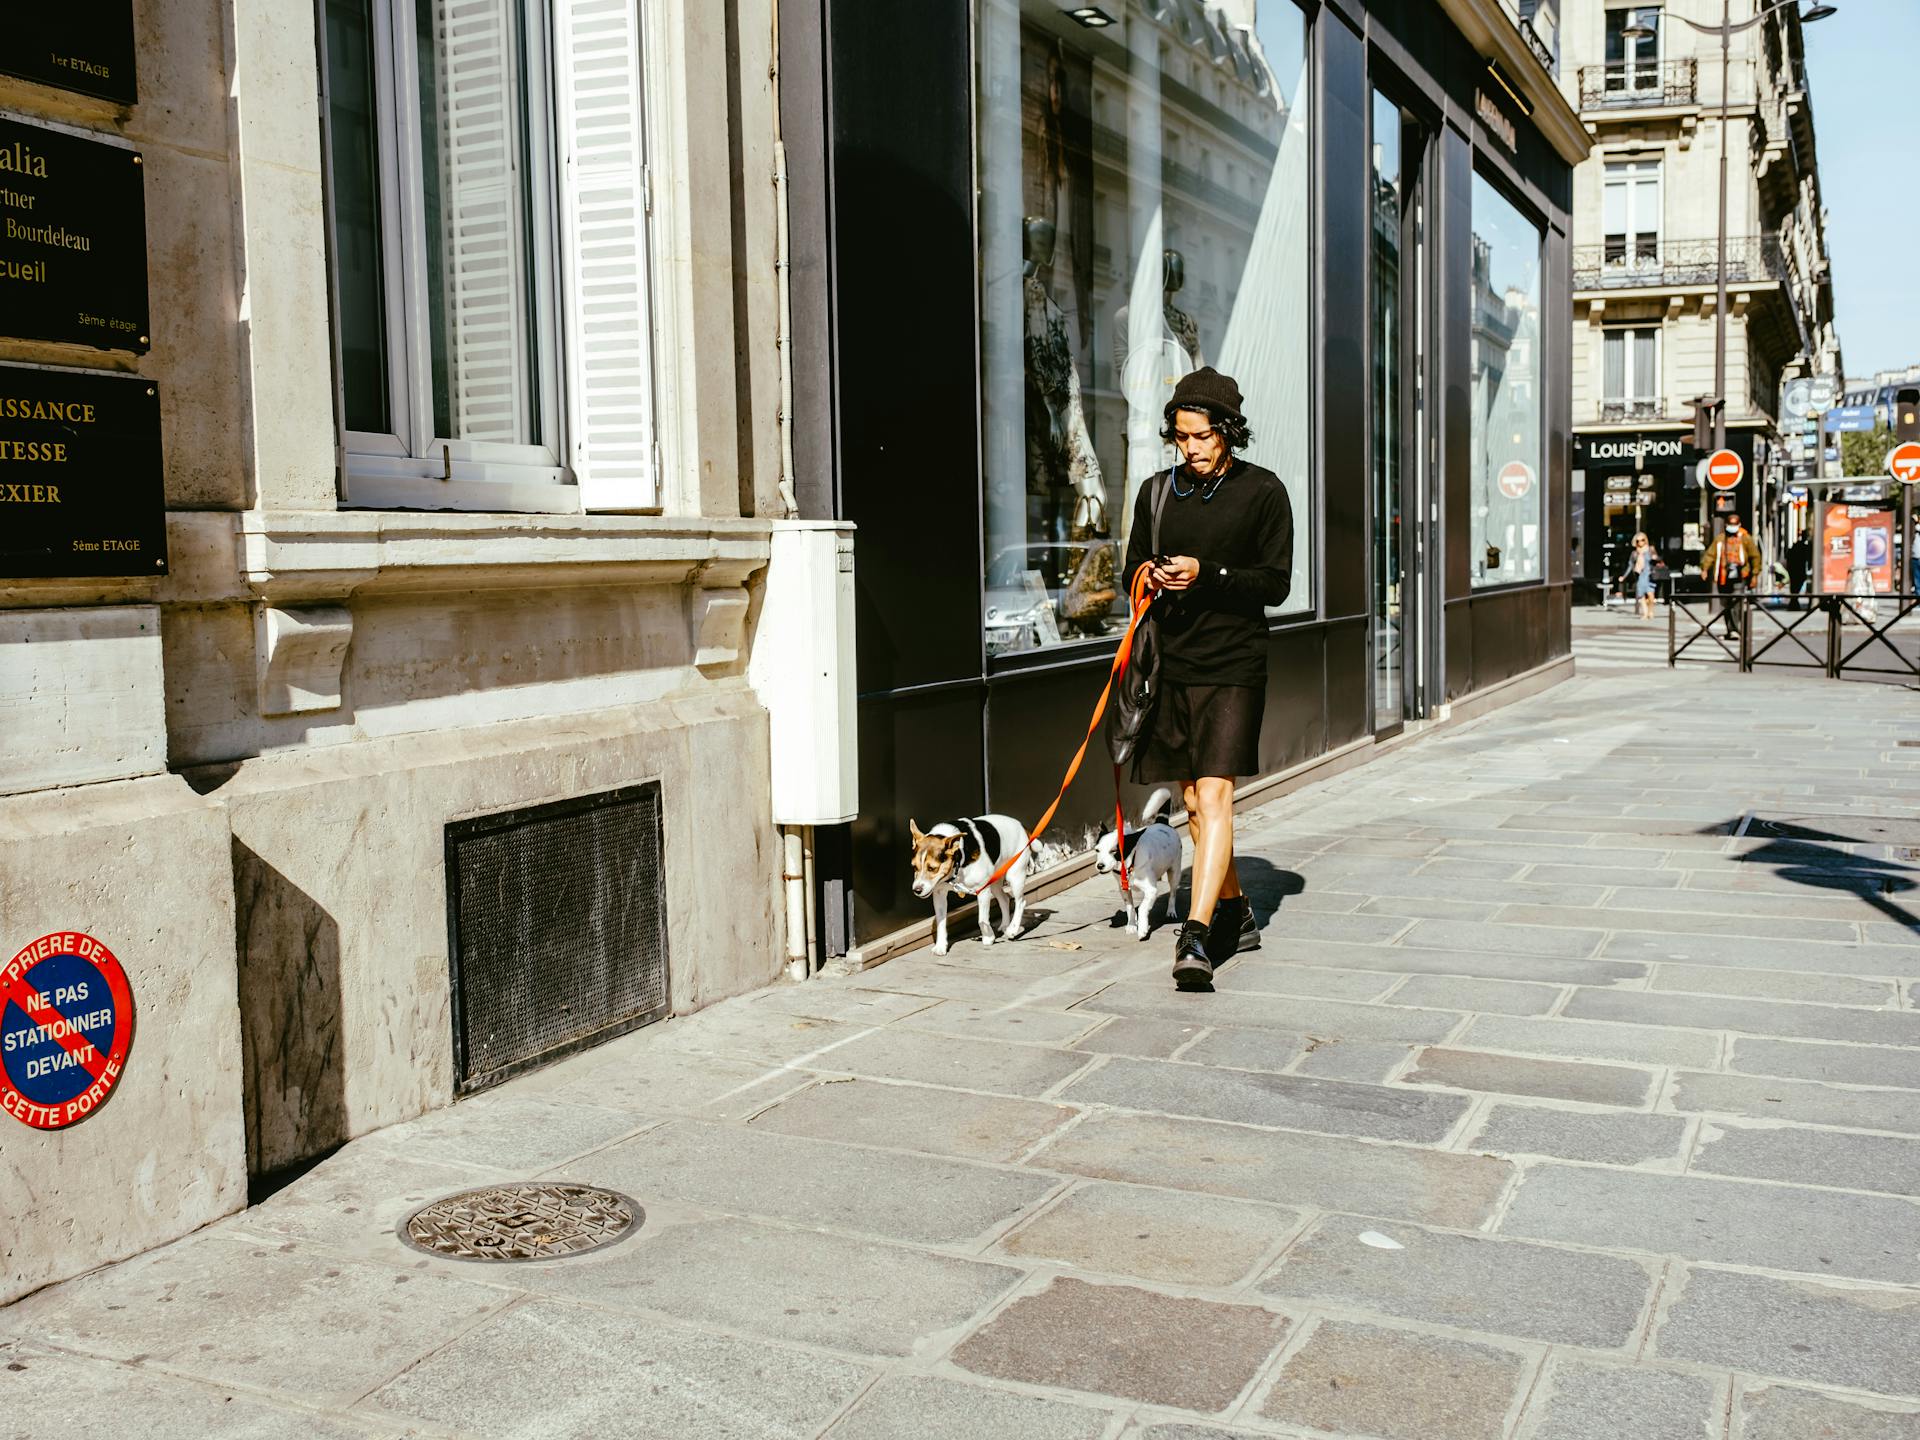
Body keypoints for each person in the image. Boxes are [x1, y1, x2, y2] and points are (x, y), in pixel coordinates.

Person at [1121, 367, 1294, 991]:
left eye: (1199, 436)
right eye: (1180, 437)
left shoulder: (1264, 492)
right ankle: (1238, 910)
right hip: (1171, 662)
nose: (1189, 448)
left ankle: (1195, 934)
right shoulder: (1155, 492)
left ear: (1226, 432)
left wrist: (1209, 574)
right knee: (1192, 800)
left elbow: (1275, 583)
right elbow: (1129, 571)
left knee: (1215, 794)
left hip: (1234, 662)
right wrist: (1152, 577)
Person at [1700, 514, 1760, 640]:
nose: (1732, 527)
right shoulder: (1720, 539)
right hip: (1724, 575)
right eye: (1730, 525)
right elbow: (1710, 554)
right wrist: (1705, 568)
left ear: (1739, 525)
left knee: (1736, 602)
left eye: (1735, 525)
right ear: (1726, 525)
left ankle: (1735, 629)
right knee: (1726, 603)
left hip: (1740, 575)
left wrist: (1754, 574)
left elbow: (1755, 556)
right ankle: (1730, 629)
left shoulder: (1745, 538)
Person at [1622, 532, 1659, 621]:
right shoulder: (1634, 553)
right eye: (1638, 541)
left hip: (1649, 575)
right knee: (1641, 595)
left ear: (1646, 540)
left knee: (1650, 595)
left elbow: (1657, 560)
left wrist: (1655, 558)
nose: (1640, 542)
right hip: (1640, 576)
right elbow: (1630, 565)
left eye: (1642, 540)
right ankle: (1645, 613)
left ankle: (1651, 611)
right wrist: (1624, 576)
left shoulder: (1650, 550)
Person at [1785, 531, 1812, 611]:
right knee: (1795, 587)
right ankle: (1794, 603)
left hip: (1796, 570)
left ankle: (1794, 603)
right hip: (1798, 570)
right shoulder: (1801, 547)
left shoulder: (1797, 546)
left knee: (1794, 588)